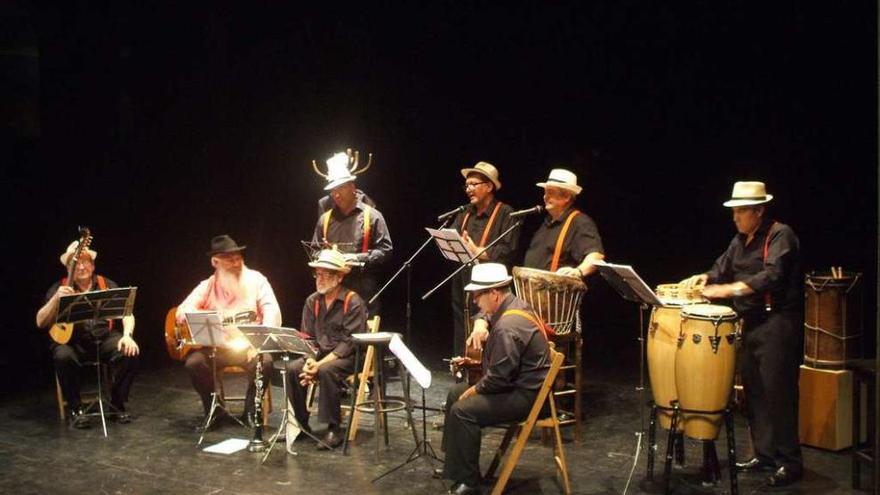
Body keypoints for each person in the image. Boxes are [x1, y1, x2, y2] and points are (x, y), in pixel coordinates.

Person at [681, 181, 803, 487]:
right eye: (734, 211)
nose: (735, 217)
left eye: (740, 211)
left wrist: (731, 288)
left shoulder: (780, 235)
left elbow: (773, 275)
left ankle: (790, 462)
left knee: (779, 393)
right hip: (750, 322)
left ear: (759, 211)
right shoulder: (740, 240)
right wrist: (704, 278)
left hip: (777, 323)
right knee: (755, 393)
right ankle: (764, 455)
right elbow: (721, 268)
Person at [438, 263, 551, 495]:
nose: (475, 301)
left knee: (463, 410)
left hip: (525, 397)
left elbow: (499, 379)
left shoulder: (507, 327)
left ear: (494, 293)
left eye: (478, 296)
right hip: (515, 385)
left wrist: (474, 390)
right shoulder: (515, 305)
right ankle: (455, 466)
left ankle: (469, 482)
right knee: (453, 394)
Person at [176, 235, 282, 431]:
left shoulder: (257, 280)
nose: (236, 263)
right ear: (215, 262)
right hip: (218, 347)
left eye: (238, 257)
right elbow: (181, 311)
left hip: (248, 347)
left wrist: (257, 345)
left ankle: (251, 411)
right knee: (194, 363)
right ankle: (214, 411)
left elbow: (272, 313)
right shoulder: (207, 285)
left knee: (265, 362)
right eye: (229, 259)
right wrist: (205, 315)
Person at [36, 239, 139, 428]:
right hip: (74, 343)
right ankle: (76, 410)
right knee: (62, 355)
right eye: (76, 263)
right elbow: (40, 321)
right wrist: (55, 300)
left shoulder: (106, 284)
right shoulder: (59, 288)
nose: (81, 267)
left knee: (129, 352)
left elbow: (127, 312)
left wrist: (127, 335)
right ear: (69, 268)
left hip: (104, 338)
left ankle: (116, 403)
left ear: (92, 265)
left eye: (85, 262)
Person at [285, 248, 367, 449]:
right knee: (293, 368)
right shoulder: (312, 301)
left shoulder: (352, 302)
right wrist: (310, 360)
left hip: (349, 357)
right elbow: (308, 338)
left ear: (339, 277)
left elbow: (349, 344)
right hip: (320, 355)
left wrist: (318, 364)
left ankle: (334, 428)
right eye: (317, 274)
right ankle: (301, 424)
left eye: (325, 274)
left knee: (326, 370)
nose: (318, 279)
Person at [450, 161, 519, 356]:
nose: (468, 189)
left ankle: (486, 366)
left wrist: (477, 250)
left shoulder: (506, 212)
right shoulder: (465, 213)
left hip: (490, 283)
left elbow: (508, 249)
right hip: (462, 275)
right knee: (460, 320)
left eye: (474, 184)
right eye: (467, 185)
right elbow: (453, 237)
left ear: (489, 187)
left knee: (486, 320)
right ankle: (461, 363)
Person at [311, 152, 392, 316]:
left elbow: (386, 250)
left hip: (362, 290)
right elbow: (314, 250)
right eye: (333, 190)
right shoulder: (325, 219)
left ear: (352, 187)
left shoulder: (372, 216)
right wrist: (326, 257)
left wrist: (357, 258)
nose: (336, 194)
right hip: (331, 289)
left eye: (340, 188)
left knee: (359, 336)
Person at [523, 168, 605, 278]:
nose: (545, 197)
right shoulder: (546, 222)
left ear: (566, 197)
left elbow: (596, 256)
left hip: (556, 293)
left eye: (550, 192)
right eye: (545, 192)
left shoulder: (580, 222)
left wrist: (578, 271)